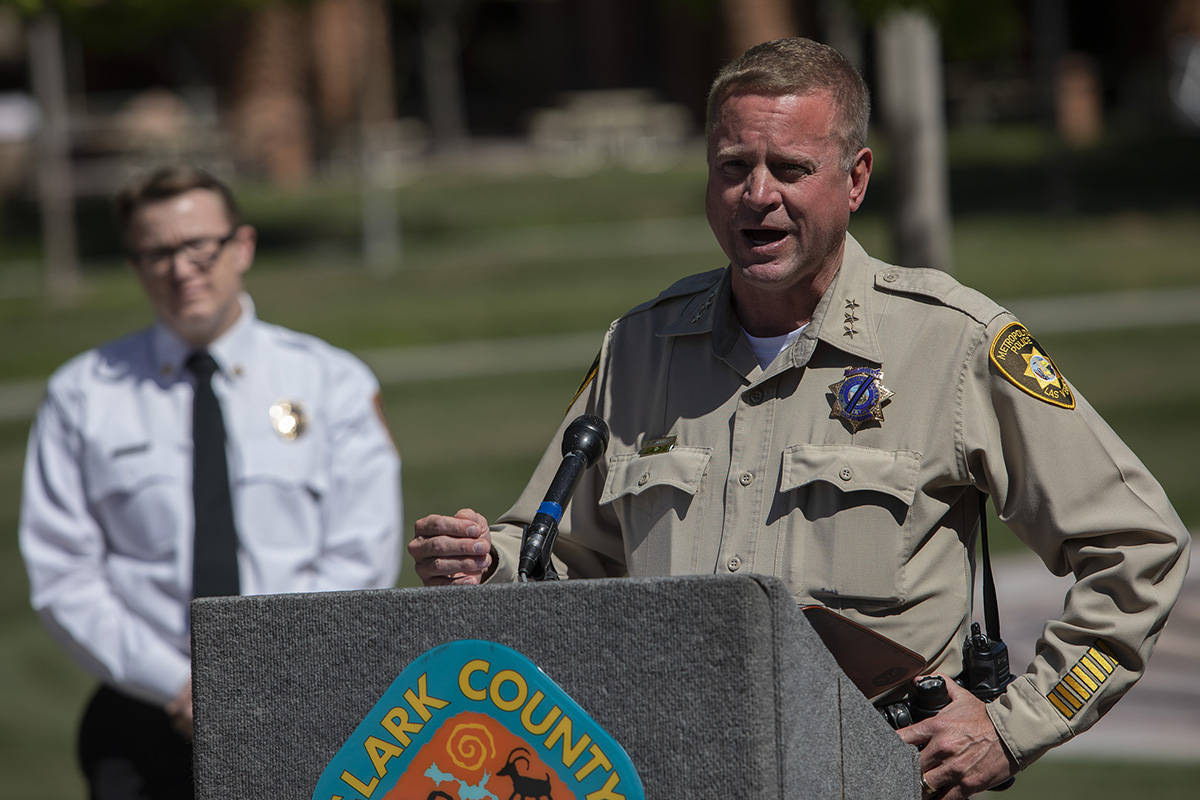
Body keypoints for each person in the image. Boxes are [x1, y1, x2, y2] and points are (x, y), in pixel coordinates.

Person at [408, 37, 1191, 799]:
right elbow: (569, 556)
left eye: (789, 169)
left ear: (855, 179)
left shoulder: (952, 344)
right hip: (668, 768)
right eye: (733, 168)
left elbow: (1138, 546)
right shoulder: (641, 347)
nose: (757, 195)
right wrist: (489, 562)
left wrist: (1013, 726)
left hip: (870, 773)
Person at [19, 165, 403, 799]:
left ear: (242, 246)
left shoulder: (332, 383)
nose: (181, 268)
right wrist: (178, 684)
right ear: (136, 264)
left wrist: (267, 677)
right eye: (158, 252)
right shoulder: (82, 396)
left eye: (201, 246)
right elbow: (64, 571)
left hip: (307, 705)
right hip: (145, 716)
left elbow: (361, 553)